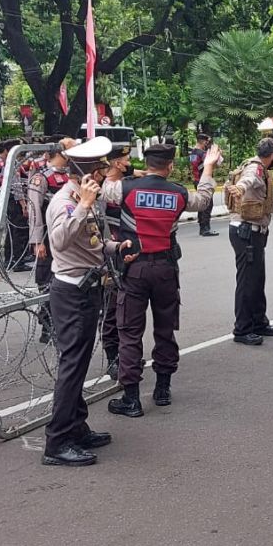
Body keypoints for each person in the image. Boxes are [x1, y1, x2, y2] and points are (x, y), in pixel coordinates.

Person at [101, 141, 220, 417]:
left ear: (147, 163)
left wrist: (123, 170)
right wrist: (209, 167)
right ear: (170, 165)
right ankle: (162, 389)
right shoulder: (178, 193)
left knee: (129, 333)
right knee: (165, 328)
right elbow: (202, 200)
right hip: (166, 269)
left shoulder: (125, 189)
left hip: (135, 268)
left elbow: (103, 187)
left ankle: (131, 399)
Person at [41, 137, 135, 466]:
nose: (104, 175)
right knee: (71, 366)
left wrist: (115, 248)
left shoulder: (86, 198)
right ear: (86, 173)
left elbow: (91, 242)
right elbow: (59, 241)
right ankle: (57, 442)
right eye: (100, 170)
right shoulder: (66, 203)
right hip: (72, 292)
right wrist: (82, 205)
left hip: (88, 286)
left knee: (79, 364)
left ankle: (77, 426)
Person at [228, 137, 273, 345]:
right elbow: (248, 180)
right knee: (247, 282)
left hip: (254, 232)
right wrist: (240, 188)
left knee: (257, 279)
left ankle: (259, 322)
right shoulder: (256, 168)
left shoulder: (257, 166)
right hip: (246, 233)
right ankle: (242, 330)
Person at [28, 138, 75, 343]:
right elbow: (34, 210)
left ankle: (62, 323)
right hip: (48, 235)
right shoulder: (42, 178)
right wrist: (37, 241)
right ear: (61, 153)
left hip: (68, 233)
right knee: (47, 282)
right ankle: (47, 326)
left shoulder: (71, 175)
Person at [99, 142, 135, 380]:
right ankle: (113, 357)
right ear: (115, 162)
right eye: (126, 159)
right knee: (112, 309)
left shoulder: (123, 185)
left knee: (128, 308)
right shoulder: (103, 190)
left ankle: (126, 353)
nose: (130, 163)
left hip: (127, 251)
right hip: (110, 254)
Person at [0, 138, 32, 271]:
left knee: (11, 232)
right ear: (8, 151)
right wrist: (23, 203)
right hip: (12, 200)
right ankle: (17, 261)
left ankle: (10, 259)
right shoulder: (8, 163)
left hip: (7, 199)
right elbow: (15, 185)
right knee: (17, 231)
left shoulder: (10, 162)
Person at [188, 134, 218, 237]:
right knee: (208, 204)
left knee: (201, 203)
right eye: (207, 142)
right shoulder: (202, 153)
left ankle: (202, 224)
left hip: (197, 180)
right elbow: (213, 163)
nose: (207, 144)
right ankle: (205, 228)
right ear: (203, 141)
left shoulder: (193, 152)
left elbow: (194, 165)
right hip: (204, 180)